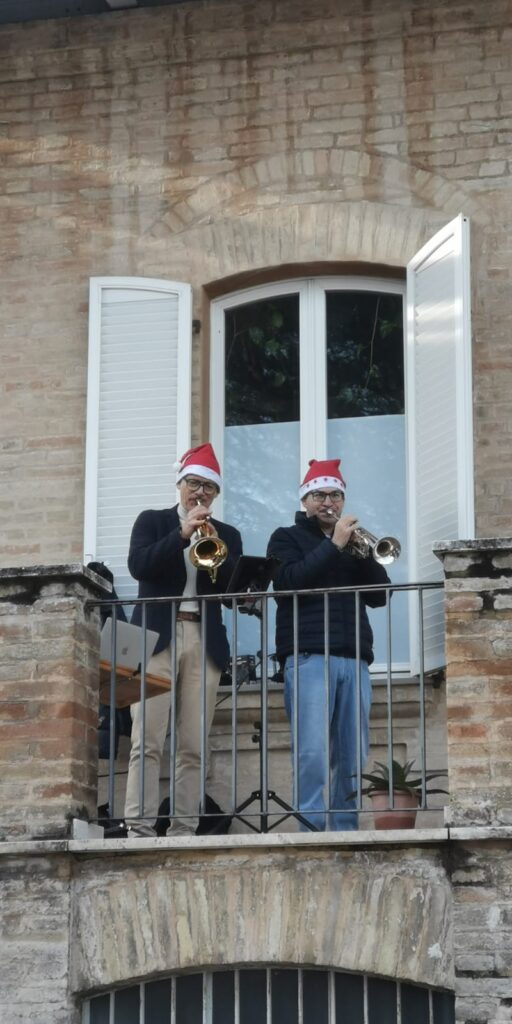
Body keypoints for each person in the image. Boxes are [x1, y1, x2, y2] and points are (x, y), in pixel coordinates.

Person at [124, 443, 242, 837]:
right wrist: (181, 534)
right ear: (180, 484)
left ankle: (183, 829)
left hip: (203, 637)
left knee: (193, 745)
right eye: (194, 483)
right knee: (147, 739)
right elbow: (139, 566)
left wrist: (244, 581)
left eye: (209, 488)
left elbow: (228, 591)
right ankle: (138, 828)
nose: (201, 492)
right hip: (156, 636)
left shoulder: (227, 535)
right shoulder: (153, 522)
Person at [266, 458, 390, 832]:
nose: (328, 502)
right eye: (319, 494)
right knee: (313, 752)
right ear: (305, 500)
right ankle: (312, 830)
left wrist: (361, 551)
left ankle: (346, 828)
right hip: (307, 656)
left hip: (353, 657)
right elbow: (287, 583)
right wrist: (333, 545)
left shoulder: (353, 542)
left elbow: (380, 595)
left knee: (352, 754)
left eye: (335, 494)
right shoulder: (285, 537)